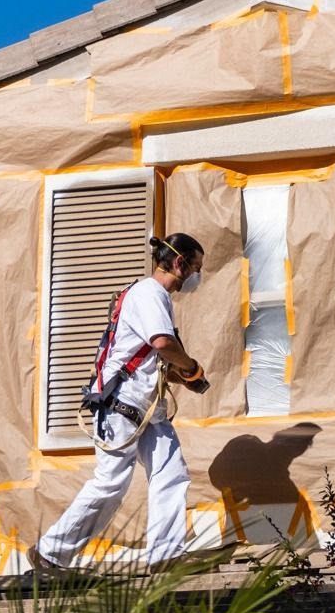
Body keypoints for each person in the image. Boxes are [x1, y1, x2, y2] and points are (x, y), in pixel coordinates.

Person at [30, 233, 206, 570]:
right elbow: (161, 342)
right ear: (180, 263)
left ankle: (165, 555)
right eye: (195, 268)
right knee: (111, 482)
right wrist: (192, 367)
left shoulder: (154, 299)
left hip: (148, 409)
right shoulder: (149, 293)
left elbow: (153, 358)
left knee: (172, 473)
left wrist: (180, 375)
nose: (195, 277)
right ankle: (50, 552)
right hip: (122, 404)